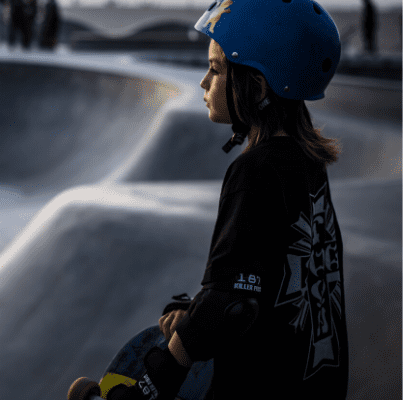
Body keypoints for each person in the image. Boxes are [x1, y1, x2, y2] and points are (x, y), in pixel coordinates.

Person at [106, 0, 349, 399]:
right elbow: (261, 283)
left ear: (256, 85)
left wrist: (152, 383)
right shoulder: (307, 165)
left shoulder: (254, 171)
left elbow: (232, 306)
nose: (203, 82)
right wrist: (197, 311)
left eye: (216, 69)